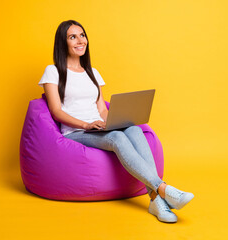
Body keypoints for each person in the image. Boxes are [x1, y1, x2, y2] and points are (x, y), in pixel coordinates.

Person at [38, 20, 194, 223]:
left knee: (135, 130)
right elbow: (56, 111)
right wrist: (86, 124)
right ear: (63, 42)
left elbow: (102, 109)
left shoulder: (93, 72)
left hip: (97, 128)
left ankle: (156, 200)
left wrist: (115, 120)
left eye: (82, 35)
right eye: (72, 37)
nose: (80, 40)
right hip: (76, 132)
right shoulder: (53, 71)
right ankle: (163, 188)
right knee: (116, 138)